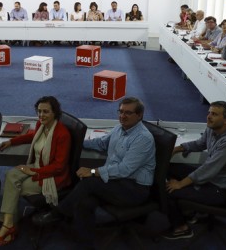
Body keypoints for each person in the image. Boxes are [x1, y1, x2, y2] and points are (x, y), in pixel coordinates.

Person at [33, 97, 155, 248]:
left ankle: (59, 213)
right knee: (85, 202)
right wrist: (74, 141)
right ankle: (86, 243)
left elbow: (125, 169)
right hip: (116, 183)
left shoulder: (143, 138)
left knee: (89, 182)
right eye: (121, 111)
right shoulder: (120, 128)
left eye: (128, 113)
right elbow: (101, 143)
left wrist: (93, 171)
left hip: (134, 189)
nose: (122, 116)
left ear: (139, 115)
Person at [0, 96, 71, 246]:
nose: (41, 115)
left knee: (13, 186)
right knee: (11, 175)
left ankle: (8, 226)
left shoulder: (62, 134)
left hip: (52, 177)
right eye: (39, 111)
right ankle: (9, 224)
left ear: (55, 113)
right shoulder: (42, 125)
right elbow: (32, 136)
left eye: (46, 111)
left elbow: (59, 166)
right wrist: (11, 141)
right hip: (37, 166)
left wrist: (33, 171)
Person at [164, 101, 226, 240]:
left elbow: (208, 170)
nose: (208, 116)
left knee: (169, 191)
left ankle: (182, 228)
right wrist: (177, 149)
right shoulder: (212, 128)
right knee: (169, 168)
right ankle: (189, 211)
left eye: (214, 114)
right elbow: (200, 143)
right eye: (209, 112)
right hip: (210, 180)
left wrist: (181, 184)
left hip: (218, 189)